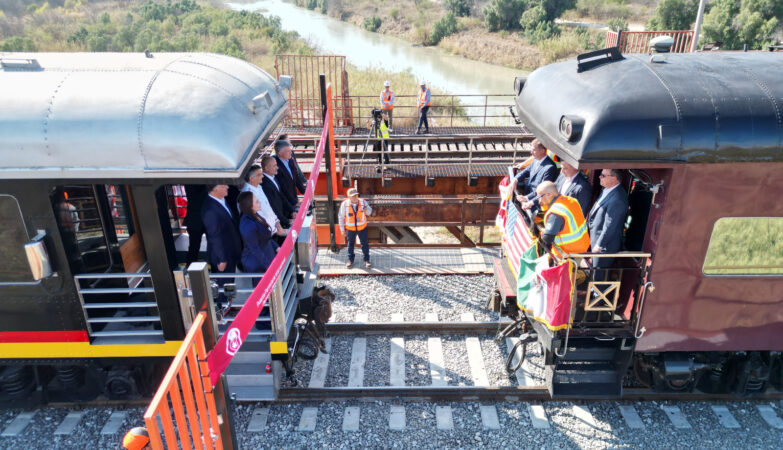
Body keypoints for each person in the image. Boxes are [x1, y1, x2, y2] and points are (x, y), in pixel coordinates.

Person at [201, 184, 242, 297]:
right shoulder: (210, 210)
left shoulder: (221, 200)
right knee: (223, 284)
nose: (227, 187)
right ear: (215, 188)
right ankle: (223, 309)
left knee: (229, 283)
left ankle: (228, 305)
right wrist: (221, 259)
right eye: (223, 185)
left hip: (230, 252)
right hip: (223, 256)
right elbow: (215, 236)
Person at [588, 168, 629, 277]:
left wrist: (599, 245)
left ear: (614, 178)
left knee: (598, 279)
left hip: (604, 246)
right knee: (593, 275)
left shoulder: (618, 198)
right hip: (595, 240)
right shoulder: (607, 189)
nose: (599, 177)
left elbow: (610, 226)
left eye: (603, 175)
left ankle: (598, 294)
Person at [535, 181, 590, 259]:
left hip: (565, 253)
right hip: (581, 248)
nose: (539, 200)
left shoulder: (556, 212)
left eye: (539, 197)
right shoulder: (571, 200)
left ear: (549, 195)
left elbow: (547, 238)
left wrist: (542, 231)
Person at [238, 191, 279, 282]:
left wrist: (276, 247)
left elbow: (265, 237)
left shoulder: (255, 215)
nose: (260, 202)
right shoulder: (247, 224)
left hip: (266, 258)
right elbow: (254, 248)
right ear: (250, 205)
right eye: (256, 201)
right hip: (258, 264)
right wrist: (269, 266)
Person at [241, 164, 287, 237]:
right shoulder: (248, 193)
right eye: (259, 175)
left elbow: (268, 208)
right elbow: (258, 216)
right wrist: (275, 229)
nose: (262, 176)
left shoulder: (258, 187)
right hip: (265, 234)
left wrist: (277, 224)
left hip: (273, 229)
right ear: (251, 178)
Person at [514, 138, 559, 203]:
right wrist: (515, 179)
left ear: (543, 151)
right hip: (527, 192)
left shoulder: (550, 168)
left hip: (535, 201)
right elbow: (526, 171)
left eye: (534, 150)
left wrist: (527, 198)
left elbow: (543, 190)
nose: (531, 152)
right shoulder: (535, 160)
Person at [339, 188, 372, 269]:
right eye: (353, 196)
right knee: (350, 245)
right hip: (350, 229)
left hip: (362, 228)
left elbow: (370, 212)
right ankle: (350, 260)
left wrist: (366, 210)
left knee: (364, 244)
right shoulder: (344, 204)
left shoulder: (363, 202)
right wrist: (342, 229)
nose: (355, 197)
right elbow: (341, 217)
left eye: (356, 195)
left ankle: (367, 260)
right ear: (349, 197)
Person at [260, 154, 296, 229]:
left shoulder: (274, 178)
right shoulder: (265, 184)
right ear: (266, 168)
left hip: (283, 217)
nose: (277, 167)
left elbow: (282, 196)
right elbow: (273, 206)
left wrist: (292, 210)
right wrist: (286, 221)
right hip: (278, 223)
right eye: (274, 166)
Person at [274, 140, 307, 206]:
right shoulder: (274, 165)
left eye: (290, 150)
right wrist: (294, 202)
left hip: (293, 197)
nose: (291, 153)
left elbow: (296, 177)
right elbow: (282, 188)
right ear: (280, 153)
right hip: (285, 203)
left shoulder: (290, 160)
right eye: (288, 151)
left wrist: (305, 192)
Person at [183, 185, 208, 265]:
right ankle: (214, 271)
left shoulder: (189, 183)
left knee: (193, 248)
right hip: (205, 218)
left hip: (193, 219)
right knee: (212, 247)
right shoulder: (206, 186)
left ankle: (189, 270)